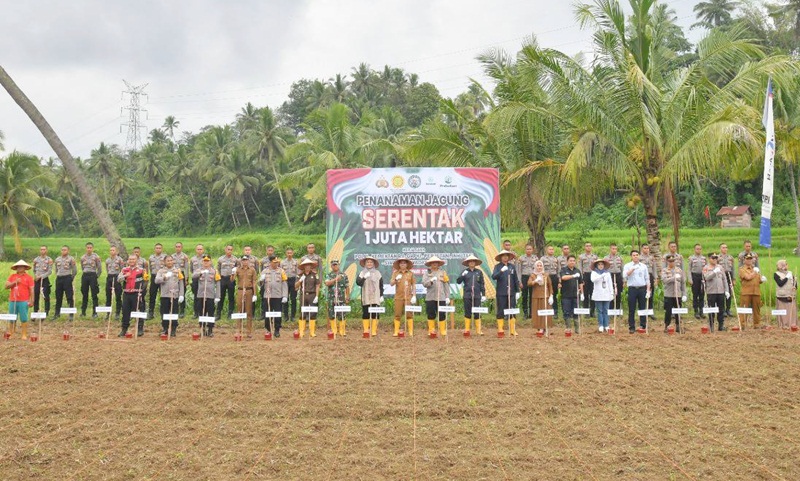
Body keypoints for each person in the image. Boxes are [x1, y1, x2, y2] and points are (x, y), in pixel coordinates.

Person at [155, 255, 185, 336]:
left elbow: (181, 283)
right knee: (164, 312)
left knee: (174, 312)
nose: (169, 262)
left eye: (171, 260)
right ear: (164, 262)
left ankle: (173, 329)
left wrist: (181, 294)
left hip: (174, 295)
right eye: (168, 260)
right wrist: (164, 278)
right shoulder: (161, 271)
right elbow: (156, 280)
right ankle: (165, 328)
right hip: (164, 295)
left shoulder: (177, 271)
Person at [492, 249, 520, 335]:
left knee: (512, 310)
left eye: (507, 256)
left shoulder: (512, 266)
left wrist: (517, 291)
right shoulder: (497, 267)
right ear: (501, 257)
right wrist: (501, 271)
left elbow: (515, 279)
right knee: (501, 310)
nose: (505, 257)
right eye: (503, 256)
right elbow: (494, 276)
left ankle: (512, 329)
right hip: (501, 292)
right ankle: (500, 329)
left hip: (511, 292)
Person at [118, 254, 146, 337]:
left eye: (133, 259)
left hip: (137, 293)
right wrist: (124, 276)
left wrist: (142, 292)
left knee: (139, 310)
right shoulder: (124, 269)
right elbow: (118, 279)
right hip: (127, 293)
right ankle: (124, 329)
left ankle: (140, 328)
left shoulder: (141, 270)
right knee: (125, 312)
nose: (131, 261)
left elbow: (146, 281)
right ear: (128, 261)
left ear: (136, 260)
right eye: (130, 259)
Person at [260, 255, 288, 337]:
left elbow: (284, 284)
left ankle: (277, 330)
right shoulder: (265, 271)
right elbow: (260, 284)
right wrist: (261, 280)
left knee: (277, 314)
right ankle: (268, 329)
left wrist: (285, 295)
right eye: (274, 262)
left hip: (277, 296)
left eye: (277, 262)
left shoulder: (281, 271)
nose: (276, 264)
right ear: (270, 262)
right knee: (267, 314)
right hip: (267, 296)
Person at [457, 255, 486, 336]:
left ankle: (478, 330)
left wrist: (483, 294)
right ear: (468, 263)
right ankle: (467, 330)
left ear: (475, 263)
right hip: (467, 295)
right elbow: (458, 281)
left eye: (473, 261)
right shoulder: (464, 271)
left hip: (477, 295)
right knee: (467, 312)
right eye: (470, 261)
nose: (472, 262)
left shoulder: (479, 272)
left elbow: (482, 284)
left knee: (477, 312)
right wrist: (462, 275)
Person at [623, 250, 651, 333]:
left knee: (642, 308)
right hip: (632, 289)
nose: (635, 256)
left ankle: (643, 325)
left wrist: (648, 290)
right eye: (633, 255)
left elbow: (647, 278)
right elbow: (624, 275)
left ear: (639, 256)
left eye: (637, 255)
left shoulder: (643, 266)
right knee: (631, 308)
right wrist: (632, 269)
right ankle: (631, 327)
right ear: (631, 256)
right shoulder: (628, 265)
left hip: (642, 289)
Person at [5, 260, 34, 340]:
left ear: (25, 268)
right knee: (12, 317)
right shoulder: (12, 276)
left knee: (24, 318)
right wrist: (15, 282)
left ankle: (24, 334)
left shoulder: (29, 278)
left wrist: (32, 300)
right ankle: (11, 332)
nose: (19, 268)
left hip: (23, 301)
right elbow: (6, 286)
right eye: (18, 266)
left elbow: (31, 290)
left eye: (21, 266)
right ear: (16, 268)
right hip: (13, 300)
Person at [193, 255, 221, 337]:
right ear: (202, 262)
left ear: (210, 262)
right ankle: (202, 328)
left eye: (207, 261)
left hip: (210, 295)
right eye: (204, 261)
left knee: (211, 313)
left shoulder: (214, 271)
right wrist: (201, 273)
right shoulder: (199, 270)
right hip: (201, 295)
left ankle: (210, 329)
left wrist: (217, 296)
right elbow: (194, 276)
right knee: (201, 313)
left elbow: (218, 284)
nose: (206, 262)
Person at [356, 256, 384, 337]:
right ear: (365, 264)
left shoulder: (378, 273)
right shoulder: (362, 273)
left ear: (374, 264)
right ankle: (366, 330)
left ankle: (374, 330)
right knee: (366, 313)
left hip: (375, 296)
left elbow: (381, 285)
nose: (369, 264)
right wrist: (364, 277)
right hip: (366, 296)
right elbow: (358, 283)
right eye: (367, 262)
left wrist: (381, 295)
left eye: (371, 262)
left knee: (375, 313)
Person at [422, 256, 450, 337]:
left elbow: (446, 285)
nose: (434, 264)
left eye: (436, 262)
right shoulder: (427, 273)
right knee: (431, 314)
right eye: (433, 263)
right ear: (430, 264)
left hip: (441, 297)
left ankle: (442, 330)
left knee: (442, 314)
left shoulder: (443, 272)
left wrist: (447, 296)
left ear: (438, 264)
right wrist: (430, 281)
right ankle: (431, 330)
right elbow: (424, 283)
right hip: (430, 297)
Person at [703, 253, 729, 332]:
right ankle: (711, 326)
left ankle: (721, 326)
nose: (714, 259)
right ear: (709, 258)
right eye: (713, 258)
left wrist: (726, 290)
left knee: (721, 309)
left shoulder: (720, 267)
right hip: (711, 292)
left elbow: (724, 279)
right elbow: (706, 277)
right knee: (711, 310)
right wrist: (714, 272)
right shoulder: (706, 268)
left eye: (716, 258)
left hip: (720, 291)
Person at [233, 255, 258, 338]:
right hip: (240, 290)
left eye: (246, 260)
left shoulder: (252, 270)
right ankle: (239, 330)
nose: (245, 262)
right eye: (243, 260)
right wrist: (233, 273)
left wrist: (255, 294)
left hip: (249, 291)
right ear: (241, 261)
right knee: (239, 311)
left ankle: (249, 331)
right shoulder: (238, 269)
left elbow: (254, 282)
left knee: (249, 312)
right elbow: (232, 280)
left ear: (248, 261)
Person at [738, 253, 766, 329]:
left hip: (756, 291)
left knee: (757, 309)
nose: (749, 260)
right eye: (747, 259)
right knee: (744, 308)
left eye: (750, 259)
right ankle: (743, 324)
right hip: (746, 291)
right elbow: (748, 277)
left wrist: (762, 279)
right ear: (744, 260)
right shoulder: (742, 269)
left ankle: (757, 324)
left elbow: (758, 280)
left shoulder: (755, 269)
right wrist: (755, 272)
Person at [390, 257, 416, 336]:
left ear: (407, 264)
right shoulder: (395, 273)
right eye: (401, 263)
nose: (403, 264)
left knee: (409, 314)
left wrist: (414, 295)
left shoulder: (410, 273)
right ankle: (396, 331)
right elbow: (391, 284)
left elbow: (413, 285)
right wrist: (395, 280)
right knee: (397, 314)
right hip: (398, 296)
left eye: (404, 263)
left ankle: (410, 331)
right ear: (399, 265)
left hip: (408, 297)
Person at [661, 255, 687, 333]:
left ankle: (678, 325)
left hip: (677, 294)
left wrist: (684, 294)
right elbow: (664, 280)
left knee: (678, 311)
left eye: (673, 261)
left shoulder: (679, 270)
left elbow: (683, 283)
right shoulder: (664, 270)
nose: (672, 262)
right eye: (670, 261)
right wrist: (673, 278)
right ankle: (667, 325)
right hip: (668, 294)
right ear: (667, 262)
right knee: (668, 311)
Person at [325, 259, 350, 336]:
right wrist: (336, 279)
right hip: (331, 298)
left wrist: (347, 296)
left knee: (342, 314)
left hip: (341, 298)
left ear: (339, 265)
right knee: (332, 314)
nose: (335, 266)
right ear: (331, 266)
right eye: (333, 265)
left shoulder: (344, 275)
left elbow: (347, 287)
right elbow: (327, 283)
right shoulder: (328, 275)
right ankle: (334, 330)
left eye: (336, 264)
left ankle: (342, 331)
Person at [296, 258, 321, 338]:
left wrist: (317, 296)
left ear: (311, 266)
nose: (307, 267)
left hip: (312, 295)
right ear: (303, 266)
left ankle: (312, 332)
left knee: (313, 313)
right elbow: (295, 286)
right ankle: (301, 331)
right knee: (302, 313)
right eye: (305, 265)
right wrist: (300, 280)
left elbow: (317, 286)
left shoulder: (314, 275)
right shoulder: (300, 275)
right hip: (303, 295)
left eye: (309, 265)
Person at [528, 260, 554, 335]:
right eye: (538, 266)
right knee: (537, 312)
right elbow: (529, 283)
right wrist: (535, 281)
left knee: (545, 311)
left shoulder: (545, 275)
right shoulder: (533, 275)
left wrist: (551, 295)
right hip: (536, 296)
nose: (539, 267)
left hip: (545, 296)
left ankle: (545, 327)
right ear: (535, 267)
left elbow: (550, 285)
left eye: (540, 266)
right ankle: (539, 327)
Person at [559, 255, 582, 333]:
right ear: (567, 261)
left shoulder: (578, 270)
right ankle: (568, 327)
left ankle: (577, 328)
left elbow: (581, 282)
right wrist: (573, 276)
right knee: (566, 312)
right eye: (570, 261)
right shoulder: (563, 269)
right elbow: (563, 278)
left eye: (573, 261)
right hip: (566, 295)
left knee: (576, 311)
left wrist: (582, 293)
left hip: (576, 295)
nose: (572, 262)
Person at [590, 259, 614, 332]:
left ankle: (606, 325)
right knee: (599, 310)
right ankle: (601, 325)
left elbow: (610, 283)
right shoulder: (594, 273)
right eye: (599, 264)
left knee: (606, 310)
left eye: (602, 264)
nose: (601, 266)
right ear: (597, 266)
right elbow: (593, 280)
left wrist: (612, 293)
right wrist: (600, 276)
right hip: (598, 294)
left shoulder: (607, 273)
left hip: (606, 293)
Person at [53, 245, 77, 320]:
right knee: (58, 296)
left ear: (68, 251)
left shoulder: (71, 259)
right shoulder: (57, 259)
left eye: (65, 250)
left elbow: (74, 270)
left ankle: (71, 314)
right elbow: (56, 269)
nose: (63, 251)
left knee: (69, 296)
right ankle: (57, 313)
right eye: (62, 250)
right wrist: (58, 275)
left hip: (67, 278)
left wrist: (71, 278)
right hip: (59, 278)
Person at [79, 242, 102, 318]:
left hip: (93, 275)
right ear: (86, 248)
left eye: (90, 248)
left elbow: (99, 269)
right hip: (85, 276)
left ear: (93, 248)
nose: (89, 249)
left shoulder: (96, 257)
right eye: (88, 247)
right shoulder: (82, 257)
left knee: (94, 294)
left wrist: (96, 276)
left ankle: (95, 312)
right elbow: (82, 267)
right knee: (84, 294)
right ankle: (83, 312)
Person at [216, 245, 239, 319]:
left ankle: (230, 313)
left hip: (231, 279)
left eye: (231, 249)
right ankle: (218, 313)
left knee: (231, 297)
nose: (230, 251)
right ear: (225, 250)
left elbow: (237, 269)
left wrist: (234, 277)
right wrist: (219, 278)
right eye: (228, 249)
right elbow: (218, 269)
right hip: (222, 279)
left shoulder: (235, 259)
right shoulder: (220, 259)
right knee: (221, 297)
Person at [774, 260, 797, 330]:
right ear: (781, 266)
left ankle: (792, 325)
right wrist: (787, 277)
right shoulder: (776, 274)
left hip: (790, 296)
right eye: (785, 264)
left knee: (791, 312)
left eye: (787, 264)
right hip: (782, 296)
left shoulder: (790, 273)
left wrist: (795, 285)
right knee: (783, 313)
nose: (787, 265)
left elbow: (795, 285)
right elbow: (780, 283)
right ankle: (783, 325)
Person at [516, 244, 537, 320]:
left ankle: (531, 313)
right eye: (527, 249)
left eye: (530, 249)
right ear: (525, 250)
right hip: (524, 277)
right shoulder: (521, 258)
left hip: (532, 278)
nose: (529, 250)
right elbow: (518, 270)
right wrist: (520, 281)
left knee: (532, 296)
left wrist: (536, 280)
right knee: (524, 296)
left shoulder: (535, 258)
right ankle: (525, 313)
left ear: (532, 250)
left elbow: (537, 269)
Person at [147, 243, 167, 319]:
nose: (158, 249)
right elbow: (150, 268)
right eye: (156, 248)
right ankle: (151, 312)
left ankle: (163, 312)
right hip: (154, 276)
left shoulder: (165, 257)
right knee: (152, 295)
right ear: (154, 249)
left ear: (162, 249)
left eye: (159, 248)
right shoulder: (151, 257)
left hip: (162, 277)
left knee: (163, 295)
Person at [32, 245, 53, 317]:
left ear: (46, 250)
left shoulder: (49, 260)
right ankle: (35, 311)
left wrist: (41, 277)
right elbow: (34, 269)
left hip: (44, 280)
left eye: (44, 249)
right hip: (37, 280)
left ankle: (46, 311)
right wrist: (36, 275)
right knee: (36, 295)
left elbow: (50, 271)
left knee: (46, 296)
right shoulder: (36, 259)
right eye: (41, 249)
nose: (42, 251)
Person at [105, 246, 125, 319]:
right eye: (110, 250)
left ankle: (117, 313)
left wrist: (120, 277)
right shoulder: (107, 260)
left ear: (116, 251)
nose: (112, 251)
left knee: (118, 296)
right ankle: (108, 313)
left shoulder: (120, 260)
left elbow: (122, 269)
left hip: (117, 277)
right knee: (108, 296)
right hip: (109, 277)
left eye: (113, 250)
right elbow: (107, 269)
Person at [688, 244, 707, 319]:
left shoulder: (704, 258)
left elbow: (706, 268)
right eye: (697, 249)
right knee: (695, 295)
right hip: (694, 277)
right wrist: (690, 279)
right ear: (694, 250)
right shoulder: (691, 258)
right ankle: (696, 311)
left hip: (702, 277)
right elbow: (689, 269)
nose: (698, 250)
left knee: (702, 294)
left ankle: (701, 311)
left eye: (700, 249)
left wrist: (706, 278)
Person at [578, 243, 597, 317]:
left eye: (590, 246)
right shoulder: (581, 257)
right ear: (584, 247)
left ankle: (592, 311)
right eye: (587, 246)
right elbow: (580, 268)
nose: (588, 247)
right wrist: (581, 278)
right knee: (585, 294)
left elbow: (597, 267)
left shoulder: (595, 256)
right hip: (585, 275)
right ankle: (586, 312)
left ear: (591, 247)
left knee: (593, 294)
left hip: (593, 275)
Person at [281, 248, 299, 323]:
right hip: (285, 281)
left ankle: (293, 316)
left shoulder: (295, 262)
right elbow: (280, 273)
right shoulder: (282, 262)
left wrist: (297, 283)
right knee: (285, 298)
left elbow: (298, 273)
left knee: (293, 299)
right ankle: (285, 316)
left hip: (293, 280)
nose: (289, 254)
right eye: (288, 253)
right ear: (286, 253)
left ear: (293, 253)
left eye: (290, 253)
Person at [172, 242, 190, 317]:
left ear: (181, 247)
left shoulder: (185, 256)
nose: (178, 248)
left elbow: (187, 268)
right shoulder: (172, 256)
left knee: (182, 292)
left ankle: (182, 310)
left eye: (179, 247)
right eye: (176, 246)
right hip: (174, 275)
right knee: (174, 292)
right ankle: (174, 309)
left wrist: (186, 278)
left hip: (182, 274)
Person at [540, 246, 559, 319]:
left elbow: (558, 269)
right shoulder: (543, 258)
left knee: (553, 294)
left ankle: (555, 311)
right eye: (550, 249)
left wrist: (558, 279)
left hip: (554, 277)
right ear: (546, 250)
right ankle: (545, 310)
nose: (551, 251)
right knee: (545, 294)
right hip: (546, 277)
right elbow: (540, 268)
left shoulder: (555, 259)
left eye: (552, 249)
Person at [639, 244, 658, 314]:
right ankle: (643, 310)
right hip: (642, 277)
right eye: (645, 248)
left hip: (650, 276)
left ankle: (650, 311)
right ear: (642, 249)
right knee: (642, 294)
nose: (646, 250)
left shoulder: (651, 258)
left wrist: (655, 279)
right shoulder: (639, 258)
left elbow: (654, 269)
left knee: (650, 294)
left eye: (647, 248)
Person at [718, 243, 735, 317]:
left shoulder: (730, 257)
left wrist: (733, 278)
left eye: (726, 247)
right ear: (720, 249)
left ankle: (728, 309)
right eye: (723, 247)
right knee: (722, 293)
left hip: (729, 275)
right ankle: (723, 309)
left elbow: (733, 268)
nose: (725, 249)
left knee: (729, 293)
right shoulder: (717, 257)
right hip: (721, 276)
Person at [189, 244, 205, 318]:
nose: (199, 251)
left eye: (201, 249)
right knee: (196, 296)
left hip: (204, 279)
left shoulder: (206, 258)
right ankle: (196, 313)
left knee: (203, 296)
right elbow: (191, 270)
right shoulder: (192, 259)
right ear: (196, 250)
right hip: (195, 279)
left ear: (203, 250)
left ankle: (202, 312)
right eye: (198, 249)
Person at [555, 244, 570, 318]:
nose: (566, 250)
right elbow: (558, 270)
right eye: (565, 248)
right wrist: (559, 281)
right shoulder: (559, 259)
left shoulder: (572, 258)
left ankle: (570, 311)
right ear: (562, 250)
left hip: (570, 279)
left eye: (567, 248)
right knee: (563, 295)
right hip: (562, 278)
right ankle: (563, 311)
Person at [607, 243, 624, 310]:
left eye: (616, 249)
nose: (614, 250)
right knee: (610, 292)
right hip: (610, 276)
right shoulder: (606, 258)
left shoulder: (620, 258)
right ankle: (610, 309)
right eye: (613, 249)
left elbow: (622, 269)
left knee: (618, 292)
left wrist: (623, 279)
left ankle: (617, 308)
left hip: (618, 275)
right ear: (610, 249)